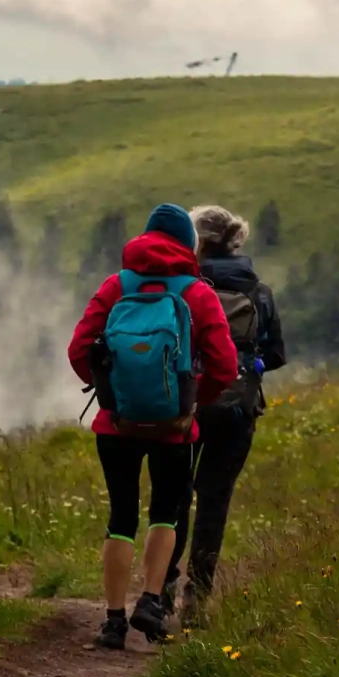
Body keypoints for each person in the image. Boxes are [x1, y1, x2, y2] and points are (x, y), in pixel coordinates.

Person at [68, 203, 238, 649]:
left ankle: (112, 622)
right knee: (166, 512)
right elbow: (224, 364)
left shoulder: (116, 286)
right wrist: (193, 400)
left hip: (116, 425)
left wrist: (111, 393)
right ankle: (149, 600)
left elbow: (78, 349)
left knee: (121, 517)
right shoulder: (198, 293)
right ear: (188, 244)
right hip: (175, 428)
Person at [162, 205, 287, 625]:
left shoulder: (186, 287)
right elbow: (275, 355)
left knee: (175, 497)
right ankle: (197, 600)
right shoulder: (259, 292)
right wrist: (245, 367)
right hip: (237, 410)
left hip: (186, 404)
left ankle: (160, 591)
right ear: (235, 239)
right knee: (213, 501)